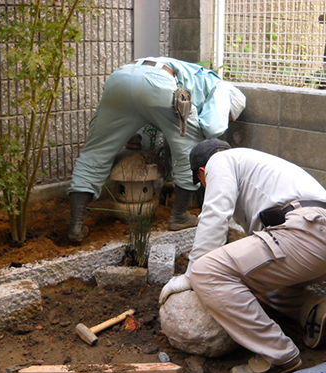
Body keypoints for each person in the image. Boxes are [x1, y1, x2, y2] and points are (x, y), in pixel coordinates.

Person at [159, 139, 326, 373]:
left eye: (203, 183)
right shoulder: (253, 165)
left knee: (206, 272)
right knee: (246, 280)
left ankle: (278, 354)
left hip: (305, 234)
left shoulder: (219, 161)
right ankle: (310, 309)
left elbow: (215, 213)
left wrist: (190, 274)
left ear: (202, 172)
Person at [67, 57, 247, 241]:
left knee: (95, 153)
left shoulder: (197, 77)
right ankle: (179, 216)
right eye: (229, 117)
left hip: (120, 78)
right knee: (191, 150)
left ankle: (76, 224)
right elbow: (212, 128)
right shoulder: (224, 90)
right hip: (157, 84)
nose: (228, 121)